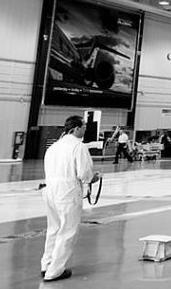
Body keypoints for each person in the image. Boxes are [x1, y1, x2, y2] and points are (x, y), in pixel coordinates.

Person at [41, 115, 100, 282]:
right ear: (75, 128)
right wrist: (94, 178)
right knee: (67, 231)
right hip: (67, 191)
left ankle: (46, 264)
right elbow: (84, 174)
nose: (85, 130)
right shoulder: (78, 147)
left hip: (50, 189)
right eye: (83, 127)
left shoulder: (53, 147)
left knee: (53, 228)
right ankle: (54, 271)